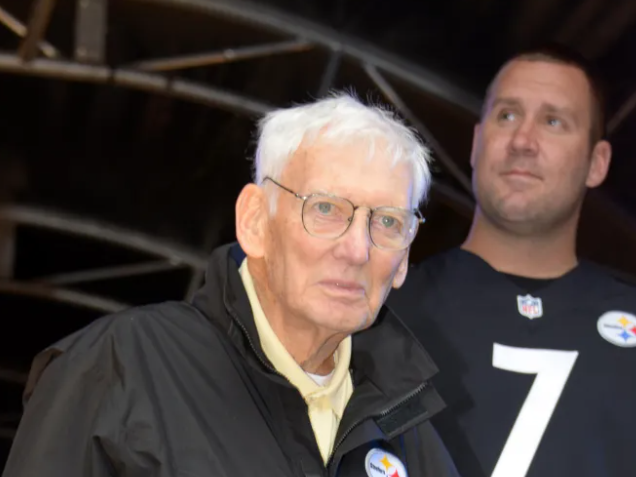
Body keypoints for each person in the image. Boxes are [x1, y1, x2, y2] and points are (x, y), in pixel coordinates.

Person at [3, 93, 461, 477]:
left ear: (403, 259)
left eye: (386, 222)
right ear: (255, 221)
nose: (357, 249)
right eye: (325, 210)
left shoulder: (408, 432)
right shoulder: (120, 368)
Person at [386, 45, 636, 477]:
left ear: (597, 162)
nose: (522, 141)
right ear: (477, 143)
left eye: (553, 121)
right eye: (507, 115)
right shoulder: (382, 311)